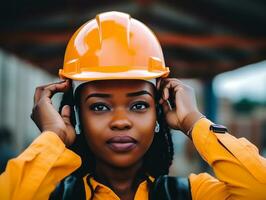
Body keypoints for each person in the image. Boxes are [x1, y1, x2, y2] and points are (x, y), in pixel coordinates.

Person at [0, 11, 265, 200]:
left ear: (158, 113)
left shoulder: (193, 194)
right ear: (76, 115)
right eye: (99, 107)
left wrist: (194, 121)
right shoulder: (52, 195)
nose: (121, 121)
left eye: (138, 105)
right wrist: (53, 137)